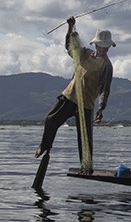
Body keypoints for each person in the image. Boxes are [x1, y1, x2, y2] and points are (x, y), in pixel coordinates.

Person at [34, 16, 114, 175]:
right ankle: (44, 146)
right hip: (70, 96)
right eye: (101, 46)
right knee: (51, 119)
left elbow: (105, 88)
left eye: (106, 48)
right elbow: (69, 46)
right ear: (96, 44)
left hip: (87, 104)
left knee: (85, 139)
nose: (103, 50)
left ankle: (86, 167)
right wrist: (71, 27)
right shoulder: (84, 54)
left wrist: (101, 108)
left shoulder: (107, 65)